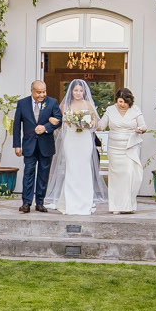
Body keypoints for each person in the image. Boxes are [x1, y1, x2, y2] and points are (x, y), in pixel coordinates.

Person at [46, 79, 104, 217]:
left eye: (81, 90)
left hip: (84, 139)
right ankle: (71, 202)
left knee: (84, 168)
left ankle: (84, 202)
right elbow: (60, 124)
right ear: (71, 91)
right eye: (76, 90)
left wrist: (87, 124)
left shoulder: (88, 104)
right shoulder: (65, 105)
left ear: (84, 92)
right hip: (71, 139)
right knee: (71, 168)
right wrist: (67, 122)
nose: (78, 93)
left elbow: (96, 122)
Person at [11, 80, 62, 212]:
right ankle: (26, 203)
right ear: (32, 91)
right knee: (28, 173)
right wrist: (17, 145)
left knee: (43, 174)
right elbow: (16, 126)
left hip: (46, 145)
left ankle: (40, 202)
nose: (42, 95)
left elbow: (59, 120)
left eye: (44, 92)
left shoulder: (52, 102)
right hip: (29, 145)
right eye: (39, 92)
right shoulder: (22, 103)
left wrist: (45, 127)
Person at [99, 87, 149, 214]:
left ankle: (129, 205)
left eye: (125, 102)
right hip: (114, 148)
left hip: (130, 147)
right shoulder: (110, 110)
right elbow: (101, 125)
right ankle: (116, 206)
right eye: (120, 101)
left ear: (130, 102)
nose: (122, 105)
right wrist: (91, 122)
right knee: (116, 177)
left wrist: (140, 129)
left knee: (130, 175)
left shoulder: (135, 110)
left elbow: (144, 126)